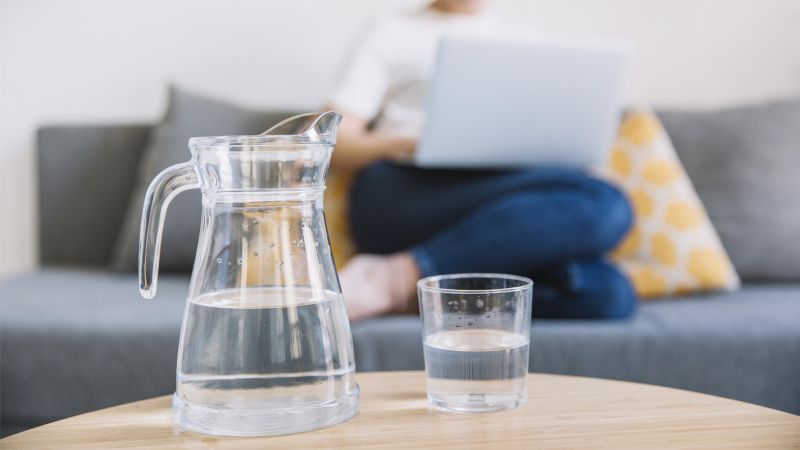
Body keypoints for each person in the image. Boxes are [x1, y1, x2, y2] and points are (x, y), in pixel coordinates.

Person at [327, 0, 636, 321]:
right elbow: (334, 143)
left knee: (609, 294)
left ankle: (420, 289)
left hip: (497, 197)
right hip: (406, 189)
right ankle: (392, 280)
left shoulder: (527, 41)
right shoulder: (392, 31)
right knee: (607, 202)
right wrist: (405, 143)